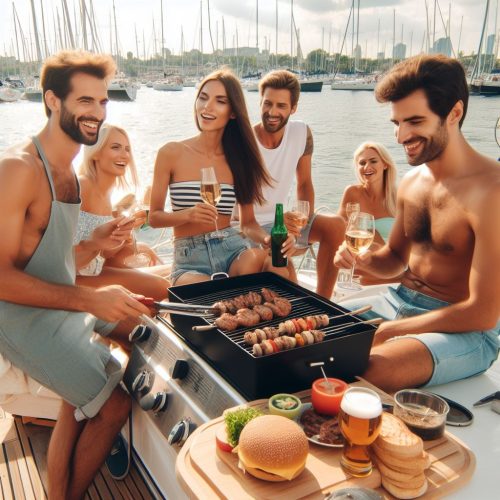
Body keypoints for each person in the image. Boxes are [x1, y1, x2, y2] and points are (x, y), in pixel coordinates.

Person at [0, 50, 151, 498]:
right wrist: (89, 299)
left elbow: (48, 254)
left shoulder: (68, 171)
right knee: (115, 405)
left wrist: (93, 245)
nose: (97, 113)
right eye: (85, 101)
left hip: (57, 301)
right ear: (52, 100)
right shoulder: (18, 170)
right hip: (19, 317)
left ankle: (85, 387)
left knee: (144, 320)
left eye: (103, 102)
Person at [334, 54, 500, 393]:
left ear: (454, 113)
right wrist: (363, 260)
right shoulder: (412, 183)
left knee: (368, 368)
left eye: (414, 121)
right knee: (315, 334)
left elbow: (483, 313)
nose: (400, 136)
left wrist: (392, 331)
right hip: (397, 300)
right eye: (396, 123)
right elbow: (394, 258)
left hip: (465, 330)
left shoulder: (491, 192)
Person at [149, 68, 289, 285]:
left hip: (232, 249)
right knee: (207, 296)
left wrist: (268, 239)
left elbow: (248, 223)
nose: (207, 106)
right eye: (203, 98)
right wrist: (188, 215)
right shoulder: (170, 153)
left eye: (220, 101)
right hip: (189, 258)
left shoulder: (239, 159)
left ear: (233, 112)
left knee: (277, 266)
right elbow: (154, 217)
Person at [252, 70, 345, 299]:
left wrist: (299, 228)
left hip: (281, 220)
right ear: (260, 102)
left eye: (281, 106)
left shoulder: (301, 132)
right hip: (249, 225)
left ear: (293, 108)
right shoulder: (245, 139)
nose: (273, 112)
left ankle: (324, 301)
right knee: (286, 273)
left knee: (336, 225)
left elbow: (304, 183)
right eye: (268, 103)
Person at [76, 123, 170, 300]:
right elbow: (63, 255)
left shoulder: (105, 192)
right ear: (95, 152)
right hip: (74, 278)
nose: (124, 154)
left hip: (94, 267)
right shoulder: (82, 186)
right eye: (115, 147)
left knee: (157, 261)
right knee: (163, 287)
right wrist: (99, 243)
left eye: (127, 149)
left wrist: (121, 235)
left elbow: (104, 252)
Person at [337, 141, 399, 285]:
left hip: (393, 264)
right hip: (362, 265)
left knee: (370, 233)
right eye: (362, 163)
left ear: (385, 164)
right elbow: (338, 229)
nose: (367, 167)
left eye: (373, 161)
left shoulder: (400, 197)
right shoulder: (352, 193)